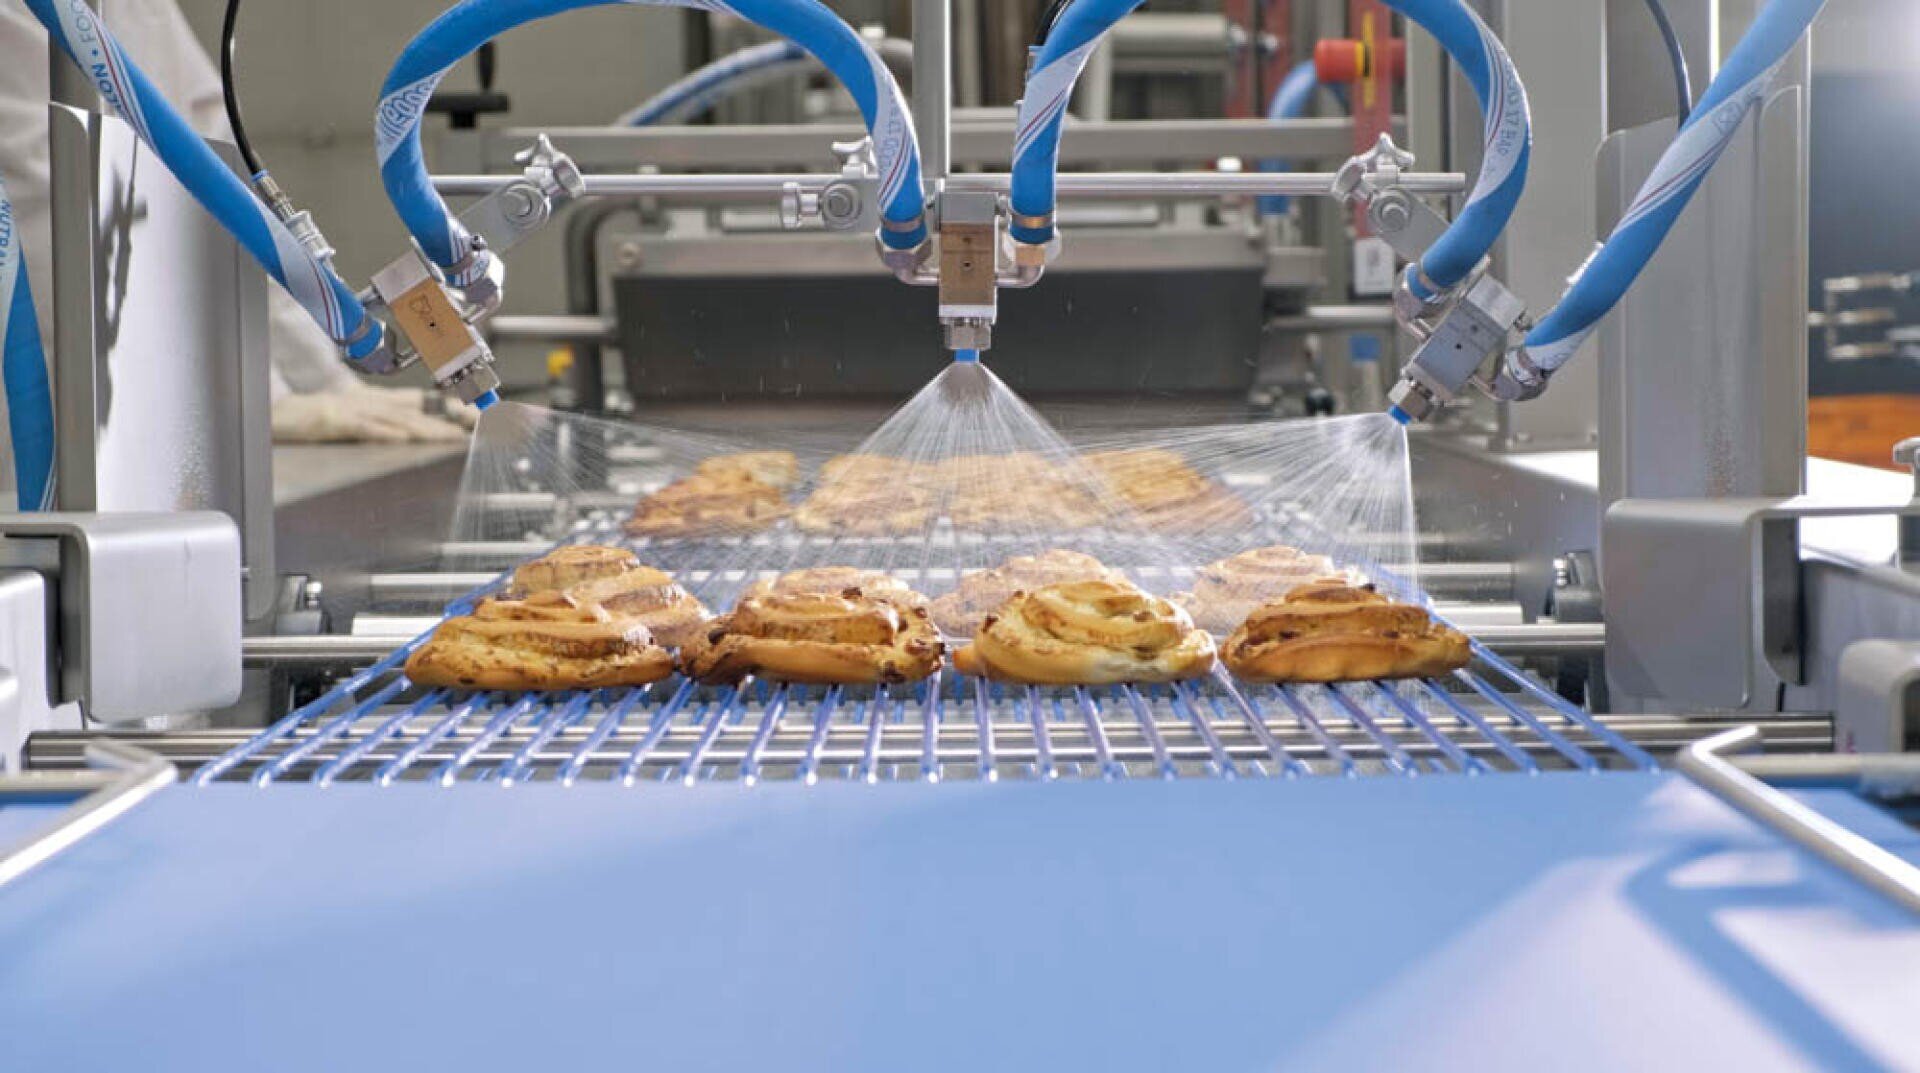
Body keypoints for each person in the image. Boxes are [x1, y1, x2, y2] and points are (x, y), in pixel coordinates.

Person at [0, 0, 469, 507]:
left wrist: (323, 384)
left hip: (136, 404)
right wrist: (254, 398)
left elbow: (224, 185)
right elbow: (63, 215)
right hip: (59, 409)